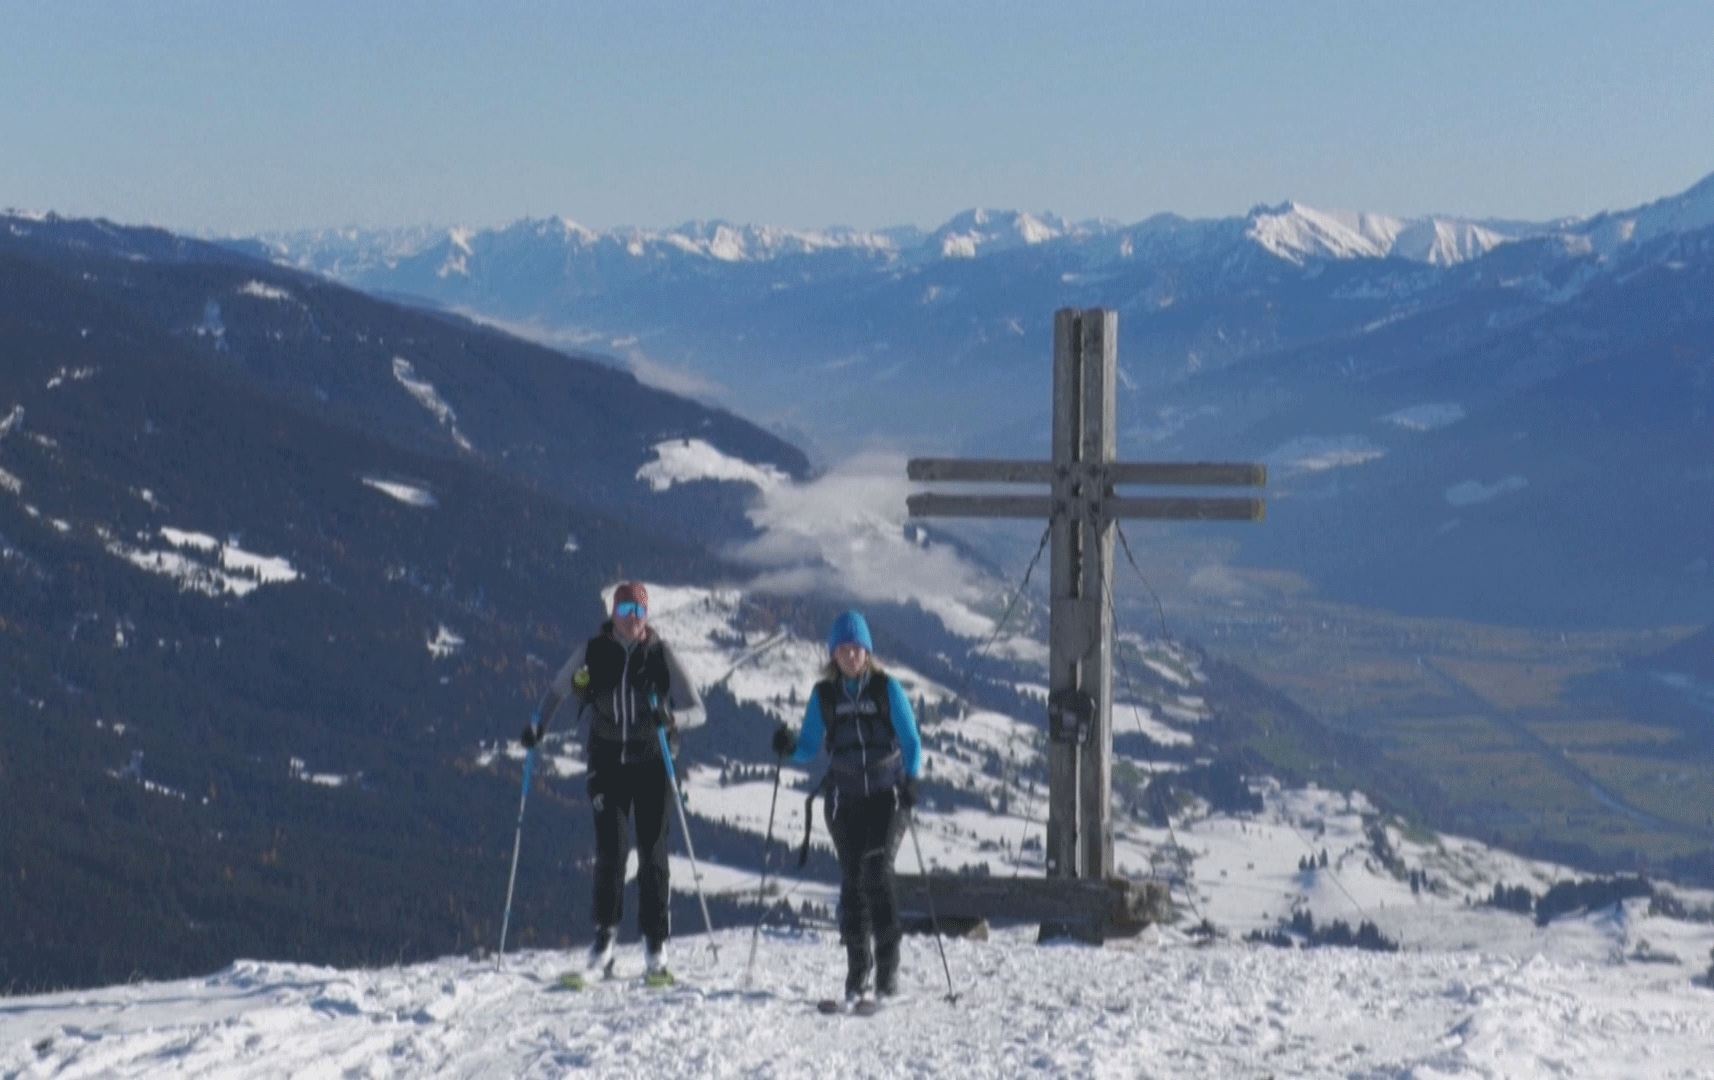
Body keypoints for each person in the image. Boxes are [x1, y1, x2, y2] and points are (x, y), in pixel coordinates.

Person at [521, 581, 704, 982]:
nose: (632, 621)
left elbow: (698, 710)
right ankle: (605, 940)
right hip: (607, 764)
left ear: (647, 616)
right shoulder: (593, 652)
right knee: (612, 850)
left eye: (638, 613)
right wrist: (538, 728)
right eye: (625, 613)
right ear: (613, 615)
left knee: (654, 853)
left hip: (653, 763)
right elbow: (558, 691)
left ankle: (655, 944)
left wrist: (672, 720)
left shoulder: (660, 653)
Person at [772, 610, 923, 1005]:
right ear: (833, 654)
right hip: (844, 799)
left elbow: (911, 742)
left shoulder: (886, 689)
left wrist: (912, 780)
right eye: (844, 649)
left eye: (857, 649)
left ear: (867, 651)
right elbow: (808, 746)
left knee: (876, 871)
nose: (851, 656)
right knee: (852, 883)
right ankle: (858, 974)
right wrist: (789, 747)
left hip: (887, 797)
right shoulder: (823, 697)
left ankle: (887, 971)